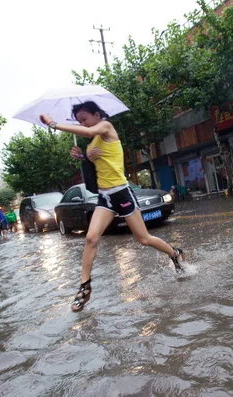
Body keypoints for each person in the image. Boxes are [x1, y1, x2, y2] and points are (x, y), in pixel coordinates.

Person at [40, 101, 185, 312]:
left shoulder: (106, 128)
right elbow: (99, 165)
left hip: (121, 193)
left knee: (143, 239)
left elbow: (95, 135)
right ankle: (85, 287)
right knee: (91, 238)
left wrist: (54, 125)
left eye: (85, 119)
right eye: (79, 121)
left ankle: (175, 252)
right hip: (104, 197)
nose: (83, 124)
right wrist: (83, 157)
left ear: (97, 115)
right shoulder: (91, 142)